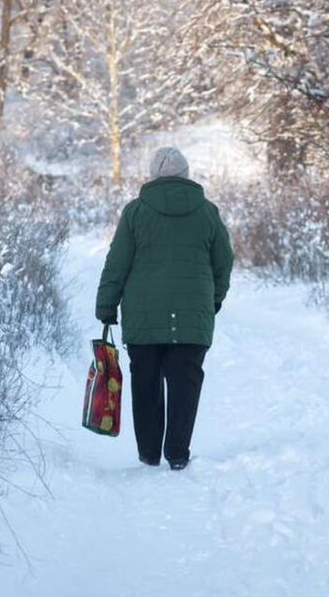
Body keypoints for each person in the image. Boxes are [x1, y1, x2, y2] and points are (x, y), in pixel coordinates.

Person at [95, 147, 234, 470]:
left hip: (143, 318)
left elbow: (117, 263)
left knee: (145, 381)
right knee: (185, 382)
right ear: (186, 175)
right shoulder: (207, 212)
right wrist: (215, 298)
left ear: (152, 176)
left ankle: (148, 453)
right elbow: (224, 261)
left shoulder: (135, 212)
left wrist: (106, 305)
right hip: (192, 317)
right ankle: (177, 453)